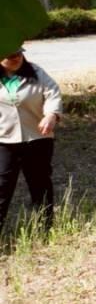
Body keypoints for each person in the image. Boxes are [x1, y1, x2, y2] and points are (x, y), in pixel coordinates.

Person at [0, 46, 63, 230]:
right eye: (11, 55)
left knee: (40, 183)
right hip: (4, 140)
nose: (17, 58)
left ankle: (45, 228)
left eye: (19, 53)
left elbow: (53, 94)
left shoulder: (36, 72)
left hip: (38, 137)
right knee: (2, 187)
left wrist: (51, 115)